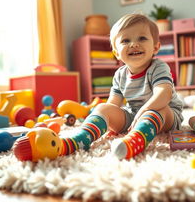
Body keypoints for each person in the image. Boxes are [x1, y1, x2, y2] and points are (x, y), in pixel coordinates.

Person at [65, 14, 183, 160]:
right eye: (126, 40)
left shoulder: (158, 67)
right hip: (133, 114)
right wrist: (109, 122)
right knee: (102, 108)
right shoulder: (120, 74)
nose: (133, 44)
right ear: (116, 53)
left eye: (142, 38)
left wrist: (145, 110)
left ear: (155, 47)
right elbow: (113, 103)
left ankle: (134, 141)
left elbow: (164, 94)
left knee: (157, 110)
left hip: (166, 115)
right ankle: (79, 139)